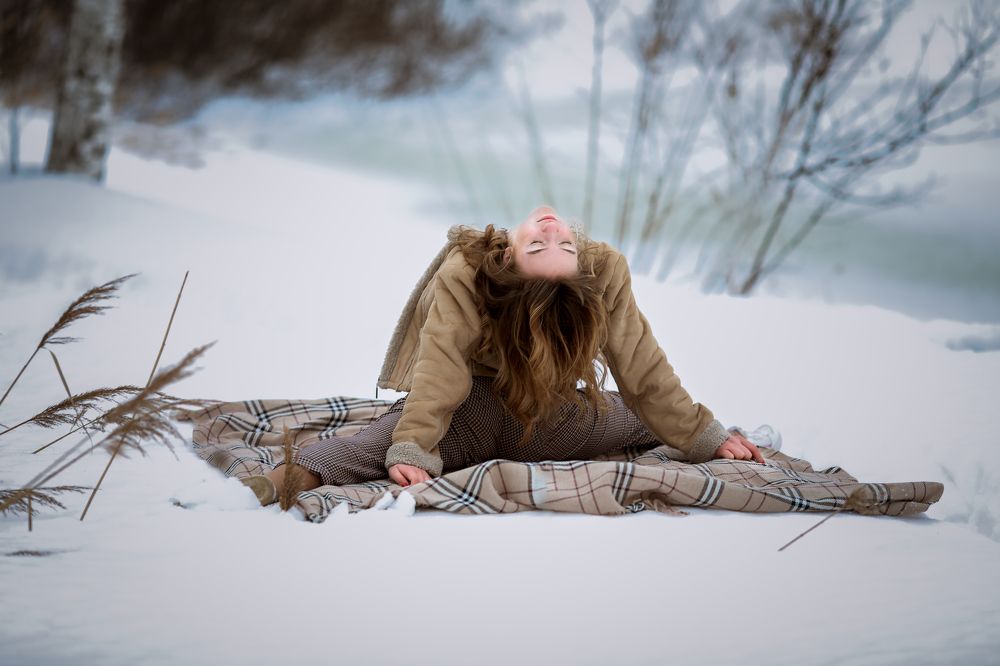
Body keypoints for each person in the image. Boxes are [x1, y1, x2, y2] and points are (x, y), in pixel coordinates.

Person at [242, 205, 764, 506]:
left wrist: (412, 450)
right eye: (552, 245)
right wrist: (701, 436)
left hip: (494, 415)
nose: (553, 230)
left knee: (366, 449)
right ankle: (730, 440)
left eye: (549, 245)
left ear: (510, 254)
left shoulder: (466, 270)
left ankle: (264, 490)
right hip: (536, 419)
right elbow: (640, 368)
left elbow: (440, 371)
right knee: (634, 419)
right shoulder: (602, 268)